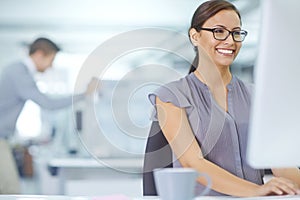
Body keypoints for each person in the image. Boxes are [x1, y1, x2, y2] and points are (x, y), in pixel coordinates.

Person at [148, 0, 300, 197]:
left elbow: (280, 164)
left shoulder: (258, 97)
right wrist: (257, 190)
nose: (230, 41)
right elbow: (193, 163)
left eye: (236, 32)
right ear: (195, 36)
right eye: (219, 31)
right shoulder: (171, 97)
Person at [0, 37, 98, 194]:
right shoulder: (18, 72)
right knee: (10, 190)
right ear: (39, 54)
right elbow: (49, 103)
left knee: (7, 189)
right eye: (51, 60)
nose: (51, 66)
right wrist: (84, 94)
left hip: (4, 139)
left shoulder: (17, 70)